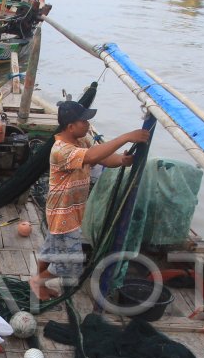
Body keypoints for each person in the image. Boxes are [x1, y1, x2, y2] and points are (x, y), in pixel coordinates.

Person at [28, 101, 152, 301]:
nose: (88, 124)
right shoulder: (61, 150)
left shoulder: (82, 142)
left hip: (68, 211)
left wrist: (121, 159)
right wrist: (126, 137)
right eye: (84, 121)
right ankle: (37, 282)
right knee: (70, 261)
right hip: (63, 214)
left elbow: (102, 158)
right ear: (70, 127)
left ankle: (38, 282)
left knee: (50, 249)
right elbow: (92, 155)